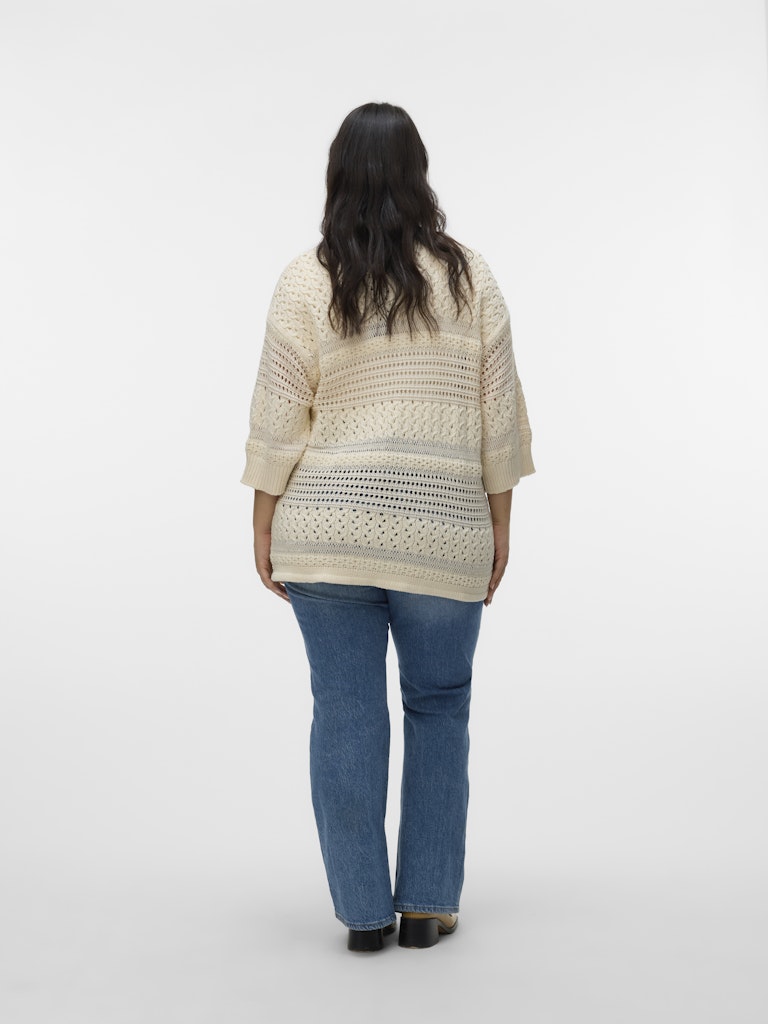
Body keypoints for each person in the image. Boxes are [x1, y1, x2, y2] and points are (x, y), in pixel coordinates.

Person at [240, 102, 535, 952]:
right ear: (419, 173)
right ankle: (426, 908)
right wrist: (498, 524)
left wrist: (262, 522)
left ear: (338, 174)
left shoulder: (307, 279)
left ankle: (363, 915)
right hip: (444, 531)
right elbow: (500, 419)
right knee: (439, 707)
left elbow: (277, 417)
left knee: (344, 713)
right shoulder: (469, 280)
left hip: (324, 533)